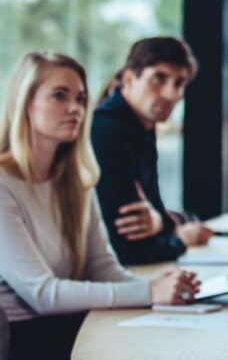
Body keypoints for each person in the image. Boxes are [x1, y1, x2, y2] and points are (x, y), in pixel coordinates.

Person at [0, 52, 198, 360]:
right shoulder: (3, 185)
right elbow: (42, 294)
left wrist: (162, 287)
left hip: (73, 325)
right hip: (23, 340)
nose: (75, 108)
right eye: (59, 96)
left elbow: (103, 268)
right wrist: (148, 292)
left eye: (80, 98)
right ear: (25, 101)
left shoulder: (75, 181)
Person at [93, 37, 213, 265]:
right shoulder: (108, 131)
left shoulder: (142, 129)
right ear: (129, 78)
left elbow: (156, 213)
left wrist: (162, 223)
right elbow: (128, 248)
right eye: (159, 78)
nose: (171, 94)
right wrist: (179, 238)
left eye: (179, 83)